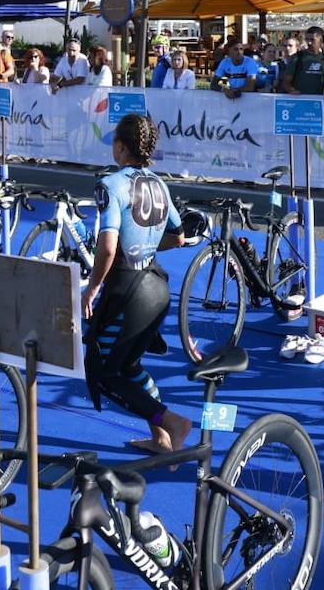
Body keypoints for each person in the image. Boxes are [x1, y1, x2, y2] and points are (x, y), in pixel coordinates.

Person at [82, 114, 193, 454]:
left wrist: (92, 287)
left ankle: (172, 422)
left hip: (127, 289)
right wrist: (144, 244)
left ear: (120, 146)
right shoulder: (159, 184)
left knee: (102, 373)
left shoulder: (111, 184)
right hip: (156, 286)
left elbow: (109, 246)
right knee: (129, 367)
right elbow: (179, 236)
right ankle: (161, 438)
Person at [283, 26, 324, 95]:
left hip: (319, 102)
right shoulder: (297, 57)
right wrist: (291, 91)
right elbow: (286, 82)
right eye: (307, 39)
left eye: (312, 40)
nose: (309, 43)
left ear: (321, 40)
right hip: (301, 101)